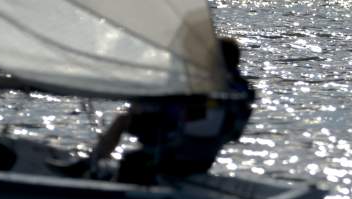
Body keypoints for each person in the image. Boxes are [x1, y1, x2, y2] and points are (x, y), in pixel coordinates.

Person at [87, 37, 254, 184]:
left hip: (171, 157)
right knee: (135, 119)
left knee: (125, 122)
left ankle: (93, 166)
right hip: (204, 159)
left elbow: (185, 112)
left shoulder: (203, 89)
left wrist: (147, 107)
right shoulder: (240, 90)